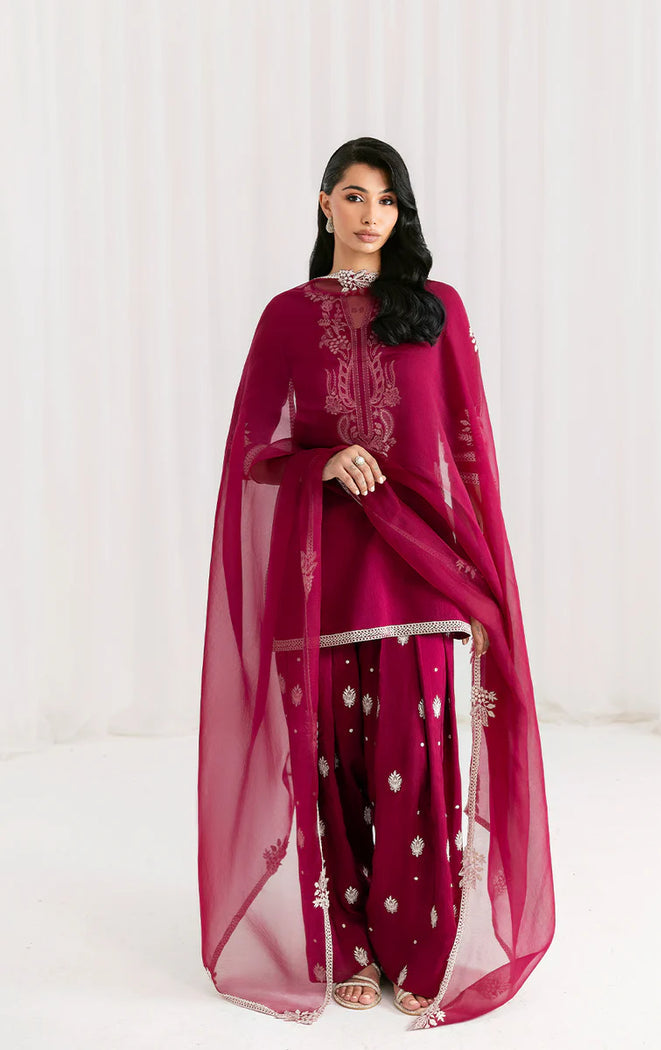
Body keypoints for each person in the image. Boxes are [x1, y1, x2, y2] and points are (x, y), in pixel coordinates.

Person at [197, 137, 555, 1030]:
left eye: (387, 200)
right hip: (325, 574)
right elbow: (252, 450)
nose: (370, 216)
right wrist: (320, 460)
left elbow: (470, 451)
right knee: (333, 767)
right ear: (325, 204)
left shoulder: (436, 309)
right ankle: (350, 943)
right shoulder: (287, 317)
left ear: (403, 212)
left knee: (418, 762)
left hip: (424, 569)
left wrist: (482, 579)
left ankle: (422, 946)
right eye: (355, 196)